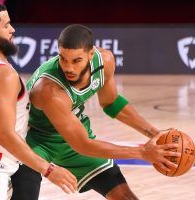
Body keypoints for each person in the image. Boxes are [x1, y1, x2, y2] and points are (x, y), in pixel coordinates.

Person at [11, 24, 180, 200]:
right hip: (32, 140)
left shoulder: (105, 61)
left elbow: (111, 103)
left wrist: (155, 134)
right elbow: (83, 145)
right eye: (63, 59)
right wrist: (142, 152)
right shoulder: (49, 91)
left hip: (71, 135)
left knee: (125, 197)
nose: (69, 67)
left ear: (91, 54)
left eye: (76, 60)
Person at [0, 2, 77, 199]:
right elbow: (4, 136)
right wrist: (49, 170)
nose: (13, 29)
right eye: (7, 25)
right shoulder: (3, 74)